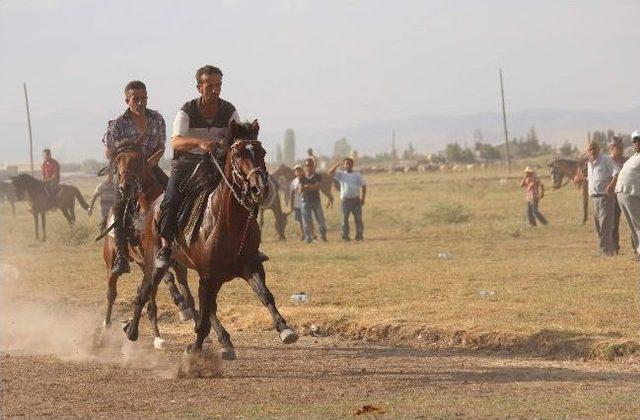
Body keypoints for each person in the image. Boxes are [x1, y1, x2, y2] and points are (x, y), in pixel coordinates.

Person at [156, 65, 240, 268]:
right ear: (199, 87)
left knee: (241, 193)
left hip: (216, 164)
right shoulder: (187, 110)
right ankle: (166, 248)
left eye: (218, 85)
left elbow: (236, 138)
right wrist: (199, 143)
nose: (215, 89)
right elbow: (176, 143)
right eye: (209, 85)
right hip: (186, 164)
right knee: (171, 199)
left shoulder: (230, 110)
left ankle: (245, 245)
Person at [102, 80, 167, 276]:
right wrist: (124, 165)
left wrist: (149, 164)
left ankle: (173, 245)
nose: (140, 102)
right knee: (120, 208)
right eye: (135, 99)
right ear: (127, 100)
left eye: (143, 98)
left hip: (150, 169)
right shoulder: (118, 123)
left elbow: (161, 147)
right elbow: (109, 151)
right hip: (127, 173)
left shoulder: (157, 119)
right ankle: (122, 255)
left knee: (174, 194)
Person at [586, 141, 616, 256]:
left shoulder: (606, 159)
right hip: (594, 197)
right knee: (598, 225)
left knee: (605, 225)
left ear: (599, 149)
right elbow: (592, 179)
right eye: (589, 150)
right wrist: (582, 179)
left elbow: (617, 173)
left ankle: (605, 251)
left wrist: (611, 185)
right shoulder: (589, 163)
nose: (592, 152)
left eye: (594, 149)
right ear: (587, 151)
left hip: (605, 196)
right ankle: (607, 250)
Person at [615, 130, 640, 259]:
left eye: (638, 141)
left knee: (635, 225)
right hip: (627, 193)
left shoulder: (635, 157)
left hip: (625, 193)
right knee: (636, 225)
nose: (636, 143)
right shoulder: (635, 156)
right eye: (635, 141)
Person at [329, 157, 367, 241]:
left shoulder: (357, 175)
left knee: (358, 219)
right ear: (344, 165)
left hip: (356, 200)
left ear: (352, 165)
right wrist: (337, 165)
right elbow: (330, 172)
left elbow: (363, 186)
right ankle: (345, 237)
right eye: (345, 163)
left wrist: (363, 198)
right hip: (345, 201)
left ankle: (359, 236)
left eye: (349, 163)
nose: (347, 165)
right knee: (344, 220)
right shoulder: (341, 174)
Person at [605, 136, 628, 253]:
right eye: (618, 147)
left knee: (633, 222)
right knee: (614, 223)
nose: (621, 149)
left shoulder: (627, 160)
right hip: (612, 197)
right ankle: (615, 247)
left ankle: (637, 248)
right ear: (611, 148)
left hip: (627, 195)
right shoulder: (606, 161)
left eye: (621, 147)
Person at [300, 158, 328, 243]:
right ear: (305, 167)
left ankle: (322, 237)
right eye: (307, 165)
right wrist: (312, 187)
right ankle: (308, 238)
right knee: (306, 221)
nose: (309, 167)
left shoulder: (317, 176)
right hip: (305, 201)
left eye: (311, 165)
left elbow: (318, 186)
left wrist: (307, 187)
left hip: (316, 201)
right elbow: (301, 189)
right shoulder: (302, 178)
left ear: (314, 166)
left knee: (321, 220)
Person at [289, 164, 314, 240]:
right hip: (297, 204)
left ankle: (313, 234)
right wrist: (291, 204)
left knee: (309, 220)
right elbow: (292, 194)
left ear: (302, 171)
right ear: (295, 173)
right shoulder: (293, 182)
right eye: (297, 171)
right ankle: (303, 235)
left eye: (300, 170)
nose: (298, 172)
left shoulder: (306, 179)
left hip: (306, 202)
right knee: (300, 220)